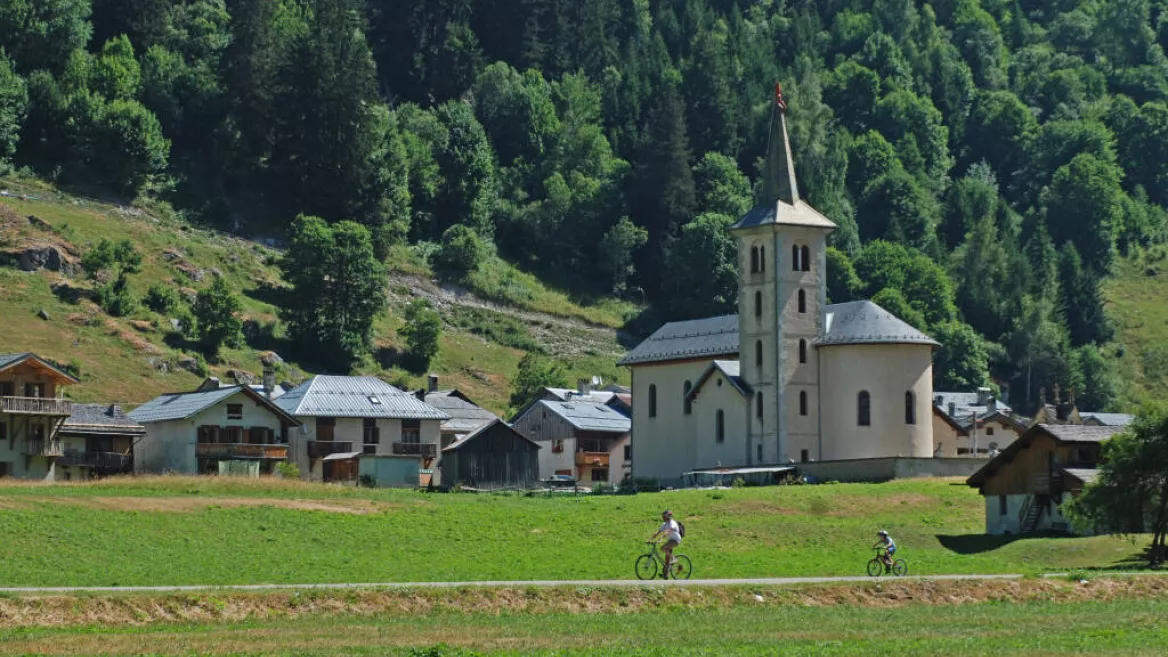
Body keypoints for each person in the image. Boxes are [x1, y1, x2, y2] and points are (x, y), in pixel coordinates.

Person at [650, 510, 682, 579]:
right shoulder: (664, 524)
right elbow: (657, 532)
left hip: (675, 540)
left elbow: (668, 531)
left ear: (667, 516)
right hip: (670, 540)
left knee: (663, 548)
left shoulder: (672, 523)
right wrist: (650, 539)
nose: (662, 518)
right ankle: (665, 575)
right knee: (666, 558)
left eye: (663, 516)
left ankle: (674, 558)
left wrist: (661, 538)